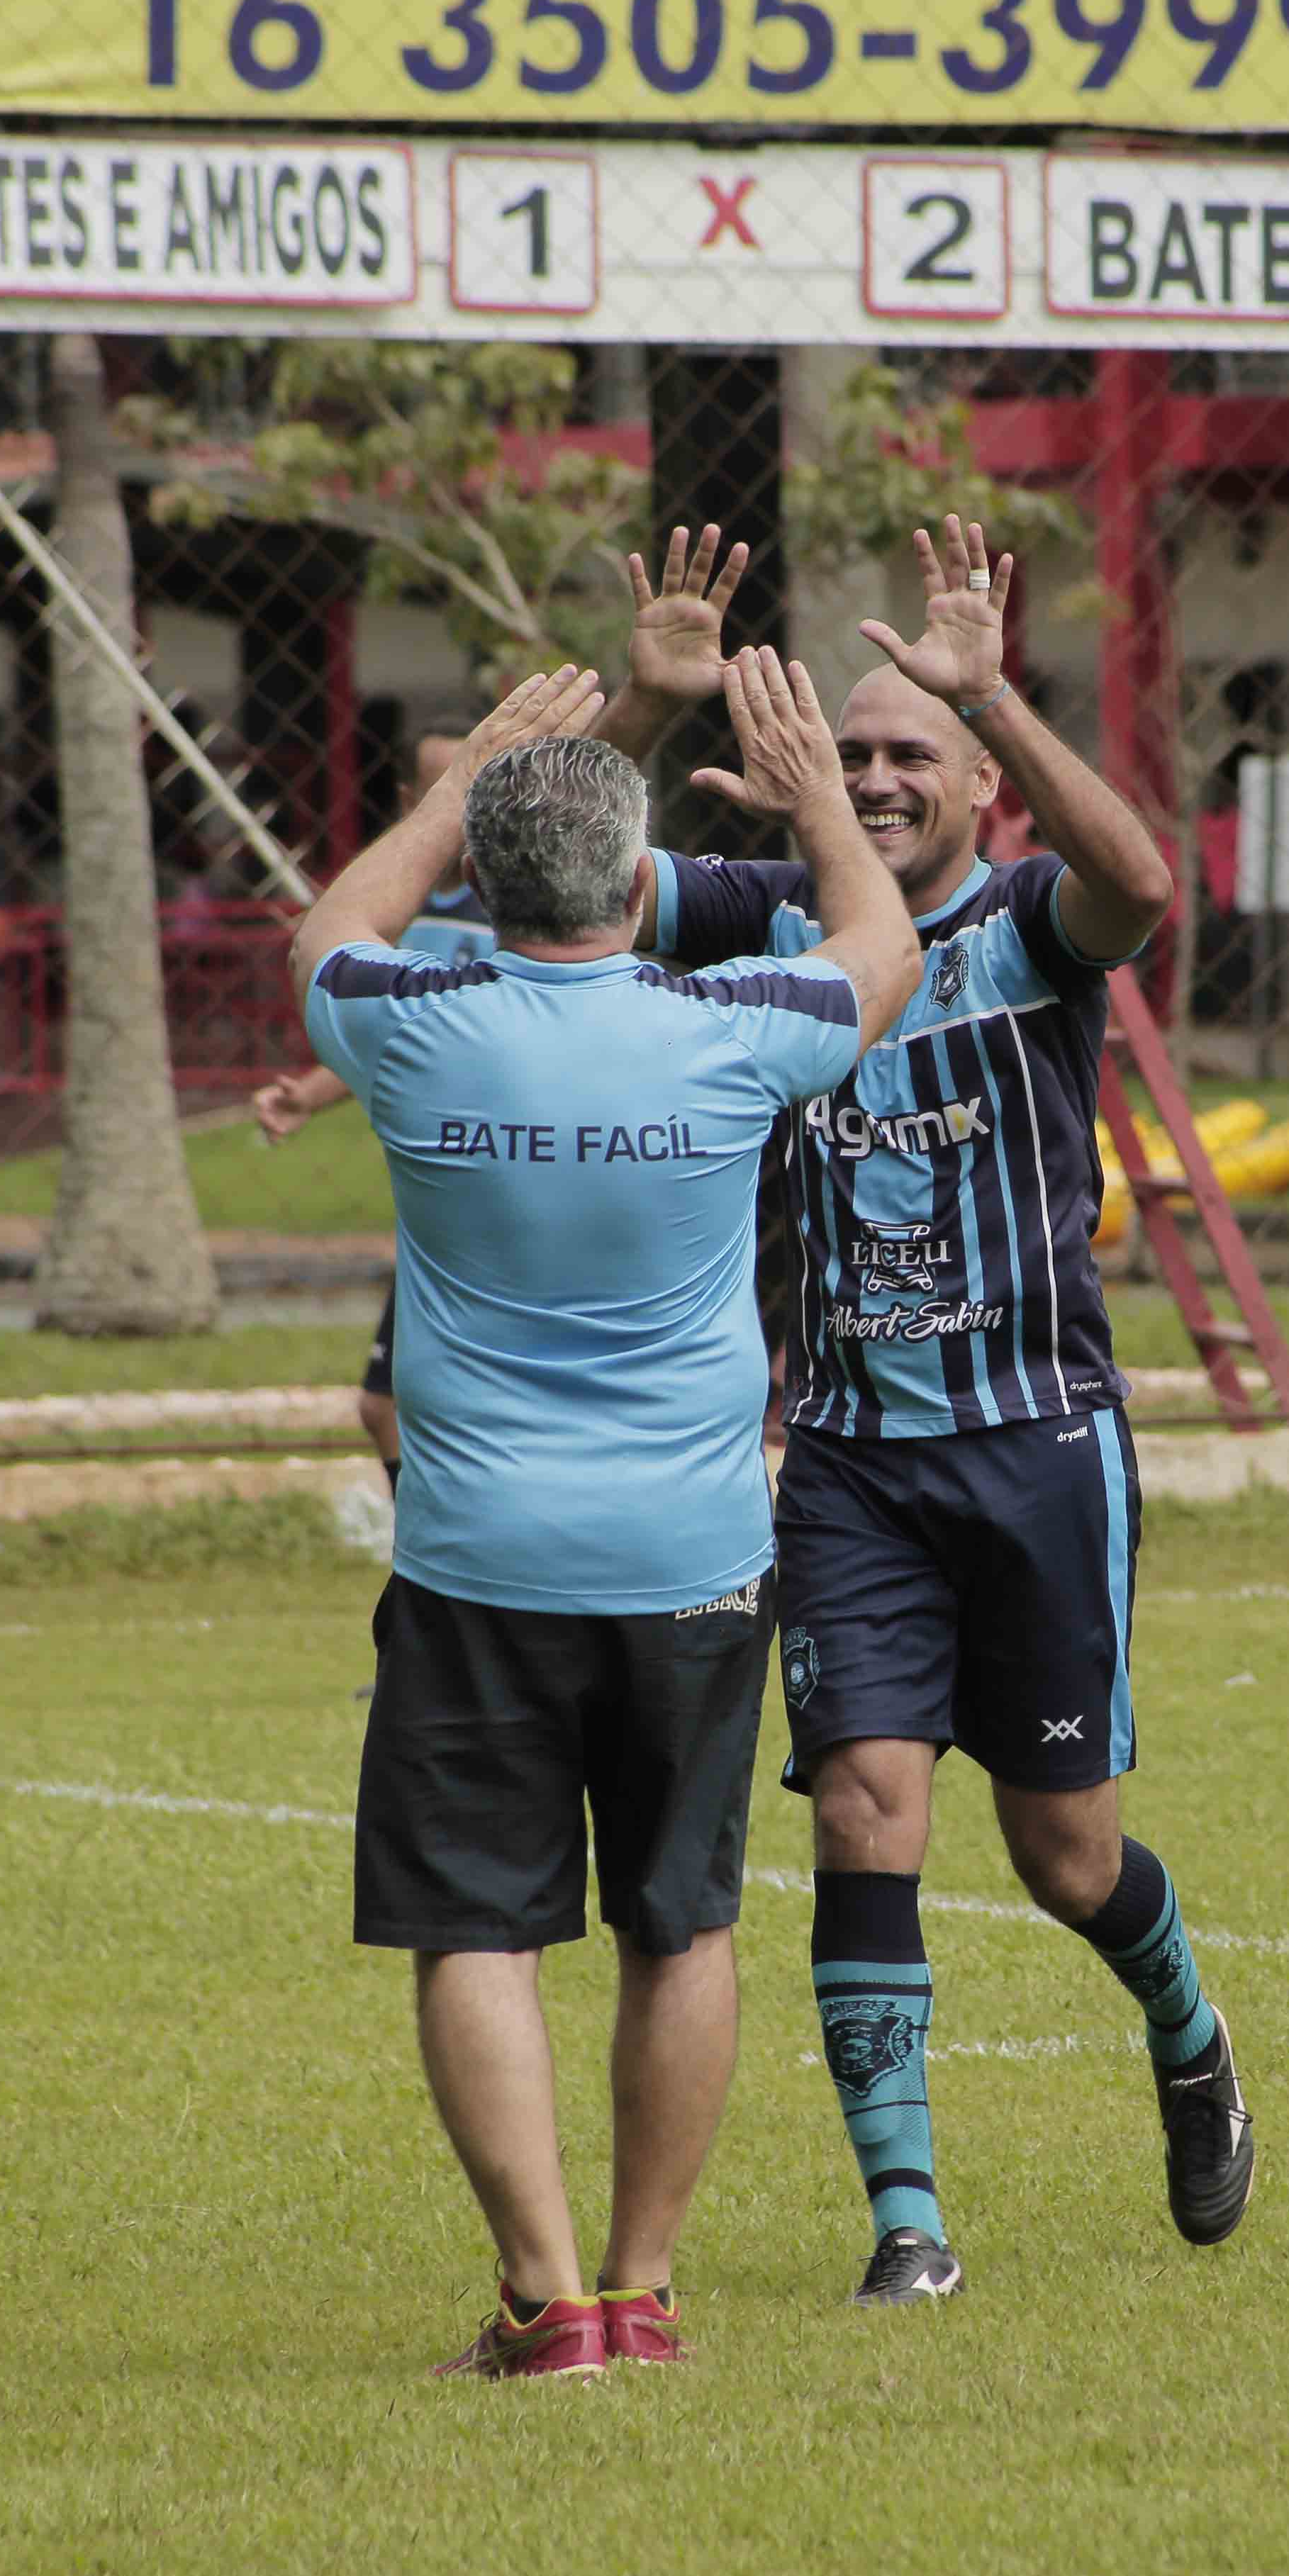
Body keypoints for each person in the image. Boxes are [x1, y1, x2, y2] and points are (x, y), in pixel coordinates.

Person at [638, 515, 1246, 2311]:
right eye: (861, 747)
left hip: (1039, 1446)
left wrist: (1000, 683)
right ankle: (906, 2216)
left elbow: (1139, 885)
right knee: (860, 1806)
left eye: (920, 752)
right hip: (845, 1466)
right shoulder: (770, 920)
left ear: (983, 784)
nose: (884, 776)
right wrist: (647, 706)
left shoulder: (1023, 928)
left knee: (1063, 1856)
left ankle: (1188, 2025)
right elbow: (585, 879)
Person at [291, 654, 917, 2380]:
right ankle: (639, 2293)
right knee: (682, 1921)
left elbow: (338, 915)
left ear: (484, 885)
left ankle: (540, 2299)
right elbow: (883, 952)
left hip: (476, 1562)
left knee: (474, 1925)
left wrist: (466, 769)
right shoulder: (731, 1032)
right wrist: (808, 799)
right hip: (691, 1564)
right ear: (633, 873)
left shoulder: (405, 1028)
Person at [252, 719, 497, 1480]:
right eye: (444, 787)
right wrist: (312, 1096)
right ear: (411, 800)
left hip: (507, 1174)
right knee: (385, 1407)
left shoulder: (528, 913)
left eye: (479, 782)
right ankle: (438, 1551)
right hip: (441, 1189)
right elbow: (393, 1033)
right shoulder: (392, 916)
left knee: (436, 1402)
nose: (464, 804)